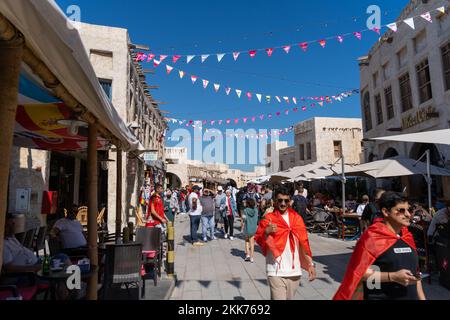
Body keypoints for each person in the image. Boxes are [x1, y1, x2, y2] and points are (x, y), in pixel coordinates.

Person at [334, 192, 426, 300]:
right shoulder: (372, 237)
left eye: (409, 210)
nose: (408, 215)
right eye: (401, 210)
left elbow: (416, 274)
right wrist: (393, 277)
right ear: (386, 212)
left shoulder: (407, 236)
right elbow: (359, 273)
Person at [255, 186, 316, 300]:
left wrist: (310, 265)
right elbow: (258, 238)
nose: (283, 204)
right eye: (280, 200)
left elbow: (304, 243)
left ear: (290, 201)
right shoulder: (268, 219)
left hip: (294, 271)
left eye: (286, 201)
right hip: (275, 270)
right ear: (274, 201)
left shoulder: (297, 219)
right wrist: (266, 232)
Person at [243, 198, 259, 263]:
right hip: (254, 228)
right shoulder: (256, 210)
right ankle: (252, 257)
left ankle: (247, 255)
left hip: (247, 228)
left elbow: (244, 219)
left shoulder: (245, 210)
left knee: (247, 241)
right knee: (252, 243)